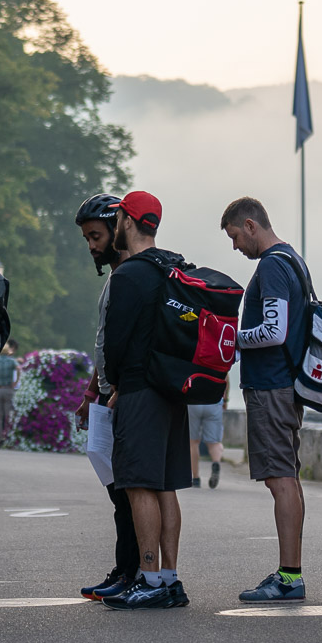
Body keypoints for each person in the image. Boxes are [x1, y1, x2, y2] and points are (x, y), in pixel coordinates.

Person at [100, 190, 191, 609]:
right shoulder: (174, 267)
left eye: (119, 218)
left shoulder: (129, 274)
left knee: (138, 485)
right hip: (174, 390)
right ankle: (170, 578)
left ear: (128, 221)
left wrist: (115, 385)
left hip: (138, 390)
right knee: (166, 485)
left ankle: (150, 579)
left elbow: (115, 343)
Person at [221, 197, 309, 603]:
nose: (236, 246)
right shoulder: (293, 260)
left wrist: (232, 340)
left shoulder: (272, 265)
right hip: (286, 384)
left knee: (280, 478)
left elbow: (274, 330)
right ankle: (290, 571)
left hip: (271, 386)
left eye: (235, 237)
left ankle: (289, 576)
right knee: (287, 475)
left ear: (250, 225)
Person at [73, 194, 143, 603]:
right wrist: (91, 392)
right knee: (117, 492)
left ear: (118, 229)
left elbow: (130, 344)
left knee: (127, 493)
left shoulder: (130, 277)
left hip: (124, 397)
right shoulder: (114, 278)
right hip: (106, 396)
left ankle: (131, 572)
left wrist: (115, 390)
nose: (91, 245)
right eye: (87, 238)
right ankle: (123, 568)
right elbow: (106, 345)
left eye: (96, 236)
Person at [186, 379, 226, 488]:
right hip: (214, 400)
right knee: (214, 442)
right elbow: (226, 378)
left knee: (193, 442)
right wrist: (225, 400)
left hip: (193, 401)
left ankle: (196, 478)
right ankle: (216, 463)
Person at [0, 342, 19, 448]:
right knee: (9, 416)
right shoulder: (12, 361)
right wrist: (16, 381)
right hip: (8, 389)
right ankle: (9, 439)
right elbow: (19, 369)